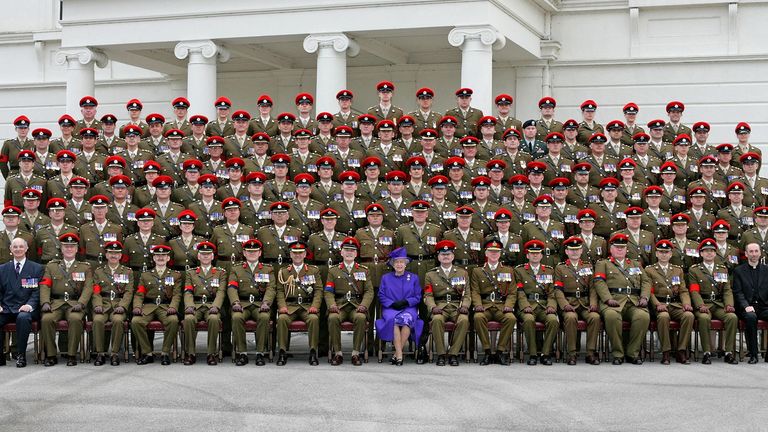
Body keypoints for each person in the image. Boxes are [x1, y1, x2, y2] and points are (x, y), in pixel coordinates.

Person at [593, 233, 651, 365]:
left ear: (626, 249)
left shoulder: (635, 263)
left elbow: (646, 282)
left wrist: (644, 297)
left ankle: (632, 353)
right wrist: (607, 299)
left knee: (643, 316)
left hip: (634, 302)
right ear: (611, 249)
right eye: (617, 247)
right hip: (613, 301)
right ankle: (618, 353)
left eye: (622, 247)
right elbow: (599, 282)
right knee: (612, 316)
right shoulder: (603, 264)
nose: (620, 249)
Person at [39, 233, 94, 366]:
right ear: (61, 249)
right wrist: (45, 302)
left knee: (75, 319)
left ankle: (71, 354)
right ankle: (51, 355)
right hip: (56, 303)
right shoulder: (52, 266)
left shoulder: (85, 267)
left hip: (75, 303)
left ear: (76, 249)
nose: (69, 249)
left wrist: (81, 303)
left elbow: (88, 288)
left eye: (72, 247)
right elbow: (45, 285)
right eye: (66, 246)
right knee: (46, 319)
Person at [324, 237, 373, 366]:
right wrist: (332, 305)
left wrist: (364, 305)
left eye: (352, 250)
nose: (349, 253)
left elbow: (369, 291)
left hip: (356, 306)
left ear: (356, 253)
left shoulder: (364, 270)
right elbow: (328, 291)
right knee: (333, 318)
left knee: (361, 318)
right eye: (346, 250)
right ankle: (338, 353)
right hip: (339, 305)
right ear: (341, 252)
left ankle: (355, 353)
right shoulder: (333, 270)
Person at [131, 244, 182, 365]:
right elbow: (139, 294)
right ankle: (147, 353)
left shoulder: (175, 275)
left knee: (173, 320)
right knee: (136, 322)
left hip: (165, 307)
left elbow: (177, 294)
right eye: (158, 255)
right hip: (149, 306)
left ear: (168, 258)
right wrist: (137, 306)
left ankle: (165, 353)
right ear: (153, 258)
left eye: (163, 255)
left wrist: (173, 307)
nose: (160, 258)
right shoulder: (145, 275)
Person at [227, 239, 275, 366]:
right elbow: (232, 288)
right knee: (237, 317)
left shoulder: (267, 269)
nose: (252, 253)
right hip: (242, 304)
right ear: (244, 253)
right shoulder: (236, 269)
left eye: (255, 251)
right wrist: (235, 303)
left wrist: (266, 303)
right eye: (249, 251)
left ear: (260, 253)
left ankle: (260, 353)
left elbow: (271, 288)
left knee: (264, 317)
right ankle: (242, 353)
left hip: (260, 304)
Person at [275, 241, 323, 366]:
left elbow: (318, 291)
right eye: (295, 253)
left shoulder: (313, 271)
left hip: (307, 307)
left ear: (305, 254)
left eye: (300, 253)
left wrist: (314, 306)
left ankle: (313, 351)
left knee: (313, 319)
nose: (297, 255)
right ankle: (282, 351)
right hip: (290, 307)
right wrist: (282, 306)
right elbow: (280, 291)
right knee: (282, 319)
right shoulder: (284, 272)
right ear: (290, 254)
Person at [423, 240, 470, 366]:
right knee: (437, 319)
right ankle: (441, 354)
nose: (446, 257)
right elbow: (428, 295)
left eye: (448, 254)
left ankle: (453, 353)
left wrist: (465, 306)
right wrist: (433, 307)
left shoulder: (462, 273)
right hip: (439, 306)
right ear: (438, 257)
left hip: (457, 306)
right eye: (443, 255)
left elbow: (467, 294)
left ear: (453, 256)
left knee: (464, 320)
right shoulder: (430, 274)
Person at [471, 239, 516, 365]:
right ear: (486, 253)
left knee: (511, 318)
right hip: (485, 305)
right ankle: (487, 351)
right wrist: (478, 305)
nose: (494, 254)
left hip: (501, 305)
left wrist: (508, 306)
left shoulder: (508, 270)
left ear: (500, 253)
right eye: (491, 251)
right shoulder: (478, 271)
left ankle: (500, 352)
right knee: (478, 317)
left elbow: (512, 292)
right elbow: (475, 291)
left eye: (496, 252)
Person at [0, 238, 44, 367]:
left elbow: (37, 292)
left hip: (27, 308)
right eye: (15, 247)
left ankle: (21, 355)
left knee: (23, 318)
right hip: (7, 307)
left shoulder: (36, 268)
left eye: (21, 247)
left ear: (26, 249)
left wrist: (29, 305)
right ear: (10, 249)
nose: (18, 249)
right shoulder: (2, 269)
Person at [376, 247, 424, 366]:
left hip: (408, 307)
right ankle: (399, 354)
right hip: (391, 308)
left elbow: (418, 295)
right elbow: (381, 295)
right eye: (396, 262)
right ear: (392, 264)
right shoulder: (386, 278)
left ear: (406, 264)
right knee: (394, 320)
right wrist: (392, 303)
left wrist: (406, 302)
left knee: (408, 318)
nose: (399, 264)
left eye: (402, 262)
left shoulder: (413, 278)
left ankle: (397, 355)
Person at [90, 241, 134, 366]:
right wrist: (97, 305)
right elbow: (96, 291)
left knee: (118, 320)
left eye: (116, 253)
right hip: (103, 305)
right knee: (97, 320)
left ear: (120, 256)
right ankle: (100, 353)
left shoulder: (127, 271)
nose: (113, 255)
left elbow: (129, 292)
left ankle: (115, 353)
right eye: (111, 253)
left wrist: (122, 306)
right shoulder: (99, 271)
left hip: (119, 305)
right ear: (106, 255)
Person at [732, 242, 768, 364]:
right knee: (751, 318)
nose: (754, 254)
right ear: (746, 254)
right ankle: (753, 354)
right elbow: (738, 292)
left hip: (763, 306)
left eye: (756, 251)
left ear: (760, 253)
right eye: (751, 252)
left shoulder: (766, 269)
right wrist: (746, 306)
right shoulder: (739, 271)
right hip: (746, 307)